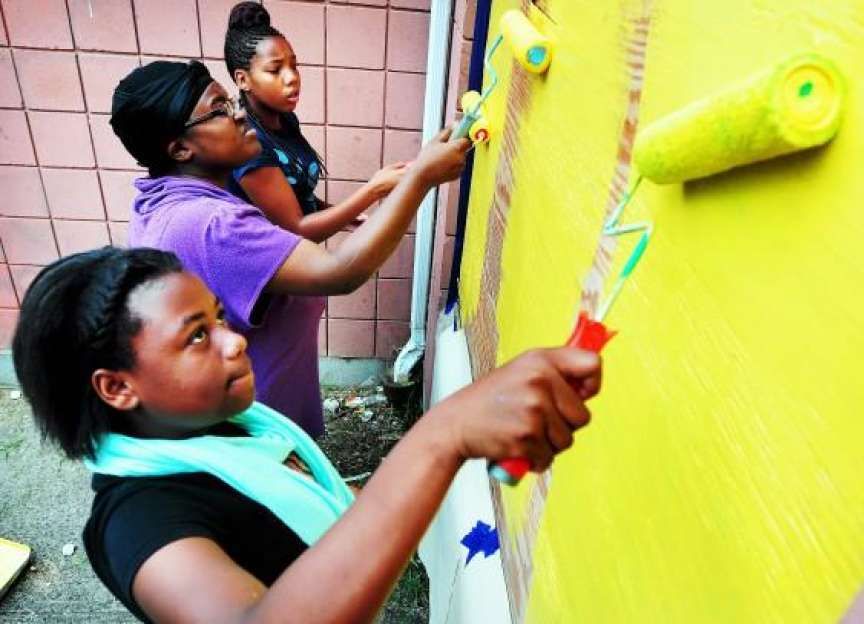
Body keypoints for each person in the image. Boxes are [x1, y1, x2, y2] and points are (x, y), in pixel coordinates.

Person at [12, 246, 603, 624]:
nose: (233, 339)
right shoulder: (140, 524)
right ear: (117, 388)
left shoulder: (233, 429)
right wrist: (439, 437)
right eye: (196, 336)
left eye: (219, 316)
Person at [109, 60, 467, 438]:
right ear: (180, 149)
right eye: (220, 109)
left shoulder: (160, 202)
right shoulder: (213, 226)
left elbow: (287, 224)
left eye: (232, 101)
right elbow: (340, 272)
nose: (241, 113)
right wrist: (420, 179)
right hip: (258, 431)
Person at [224, 1, 405, 240]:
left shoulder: (286, 120)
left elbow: (297, 193)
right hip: (265, 271)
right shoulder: (248, 145)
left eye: (294, 66)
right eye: (275, 69)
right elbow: (296, 231)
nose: (292, 78)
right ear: (243, 79)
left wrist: (340, 214)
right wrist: (372, 191)